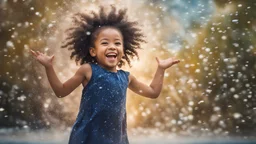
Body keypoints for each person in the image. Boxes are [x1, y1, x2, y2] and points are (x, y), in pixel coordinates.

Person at [30, 6, 180, 144]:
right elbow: (61, 91)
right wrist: (49, 67)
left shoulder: (126, 77)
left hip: (116, 139)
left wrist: (161, 69)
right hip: (87, 137)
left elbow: (153, 92)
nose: (112, 47)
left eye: (117, 43)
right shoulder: (88, 70)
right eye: (105, 43)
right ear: (93, 51)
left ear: (124, 49)